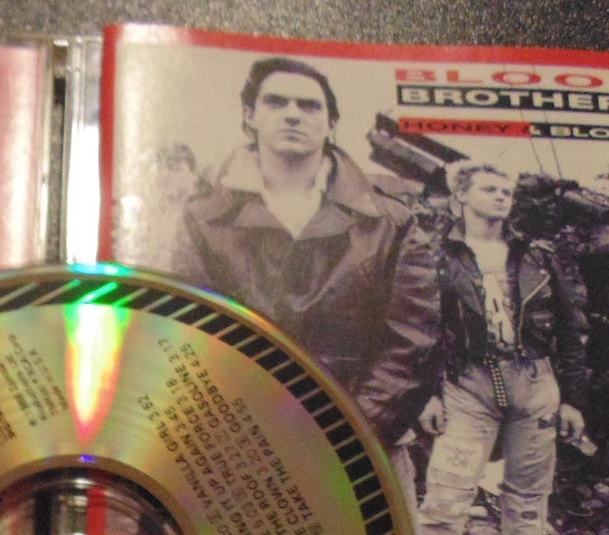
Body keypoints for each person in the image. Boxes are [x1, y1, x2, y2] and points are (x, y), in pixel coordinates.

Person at [168, 57, 436, 442]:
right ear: (250, 116)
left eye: (309, 106)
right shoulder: (204, 218)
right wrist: (244, 433)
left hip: (358, 444)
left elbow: (410, 346)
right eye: (276, 102)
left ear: (331, 123)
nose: (292, 115)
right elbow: (186, 337)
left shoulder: (391, 223)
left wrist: (345, 435)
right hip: (242, 444)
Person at [415, 161, 590, 535]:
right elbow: (422, 329)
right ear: (462, 195)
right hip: (467, 387)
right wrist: (427, 395)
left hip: (535, 387)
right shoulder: (438, 256)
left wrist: (573, 400)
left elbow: (572, 330)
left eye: (506, 192)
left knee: (528, 506)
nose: (500, 197)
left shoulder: (537, 257)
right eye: (489, 189)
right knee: (445, 501)